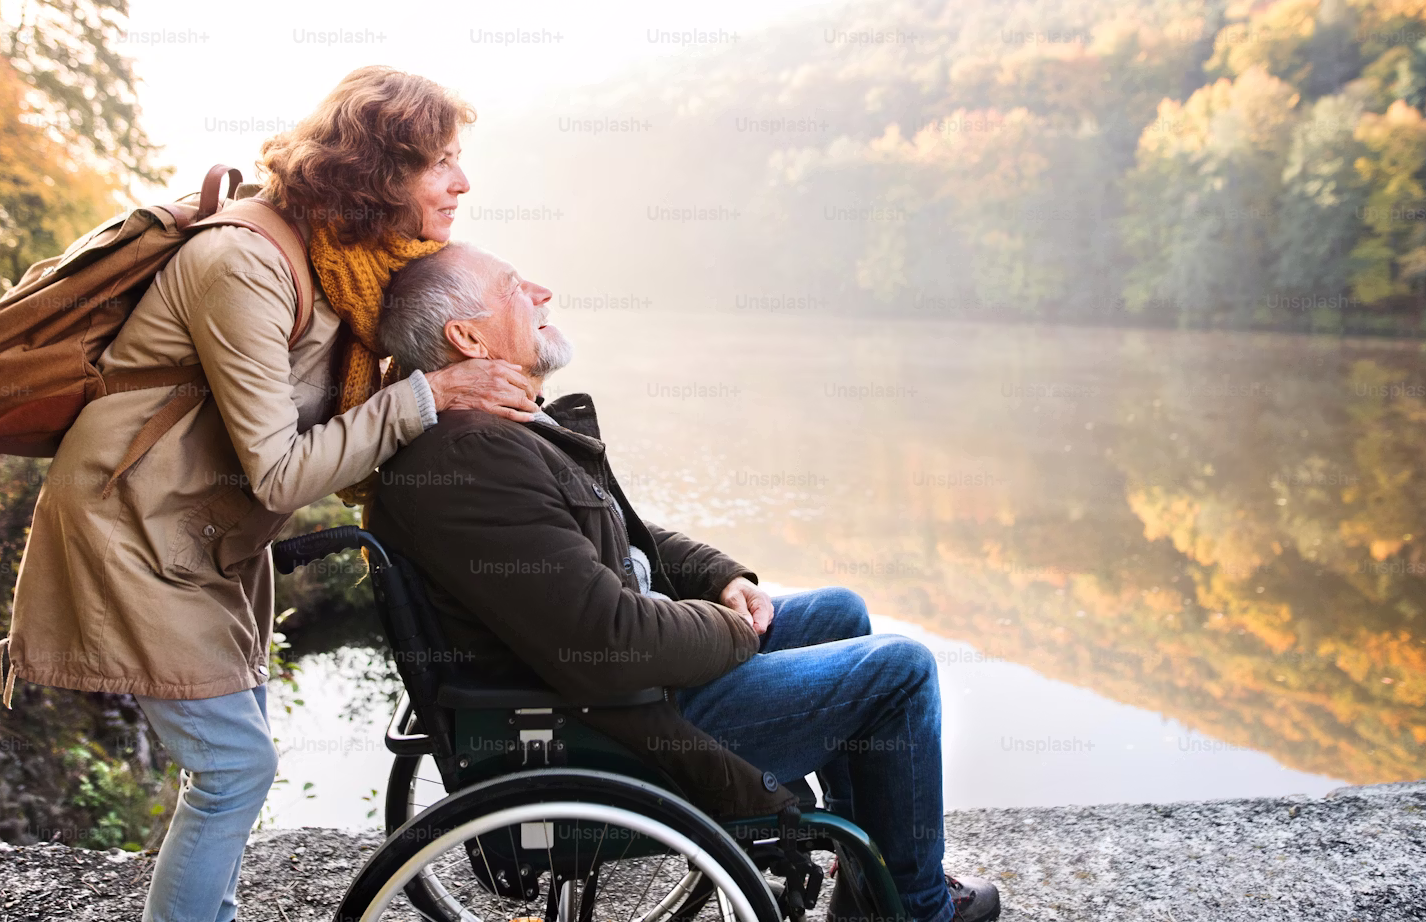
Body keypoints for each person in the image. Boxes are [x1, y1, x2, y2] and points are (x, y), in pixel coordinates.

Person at [2, 68, 539, 922]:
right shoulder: (245, 263)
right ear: (378, 173)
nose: (462, 182)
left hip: (206, 536)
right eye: (440, 162)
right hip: (133, 531)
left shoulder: (349, 267)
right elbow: (281, 471)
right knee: (232, 768)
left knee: (234, 756)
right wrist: (429, 395)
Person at [367, 242, 1002, 922]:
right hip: (619, 725)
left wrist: (721, 578)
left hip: (624, 689)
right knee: (900, 672)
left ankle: (873, 885)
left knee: (839, 612)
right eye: (515, 287)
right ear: (466, 338)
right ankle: (917, 909)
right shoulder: (473, 458)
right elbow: (611, 642)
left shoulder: (496, 430)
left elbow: (619, 532)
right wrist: (733, 631)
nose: (542, 292)